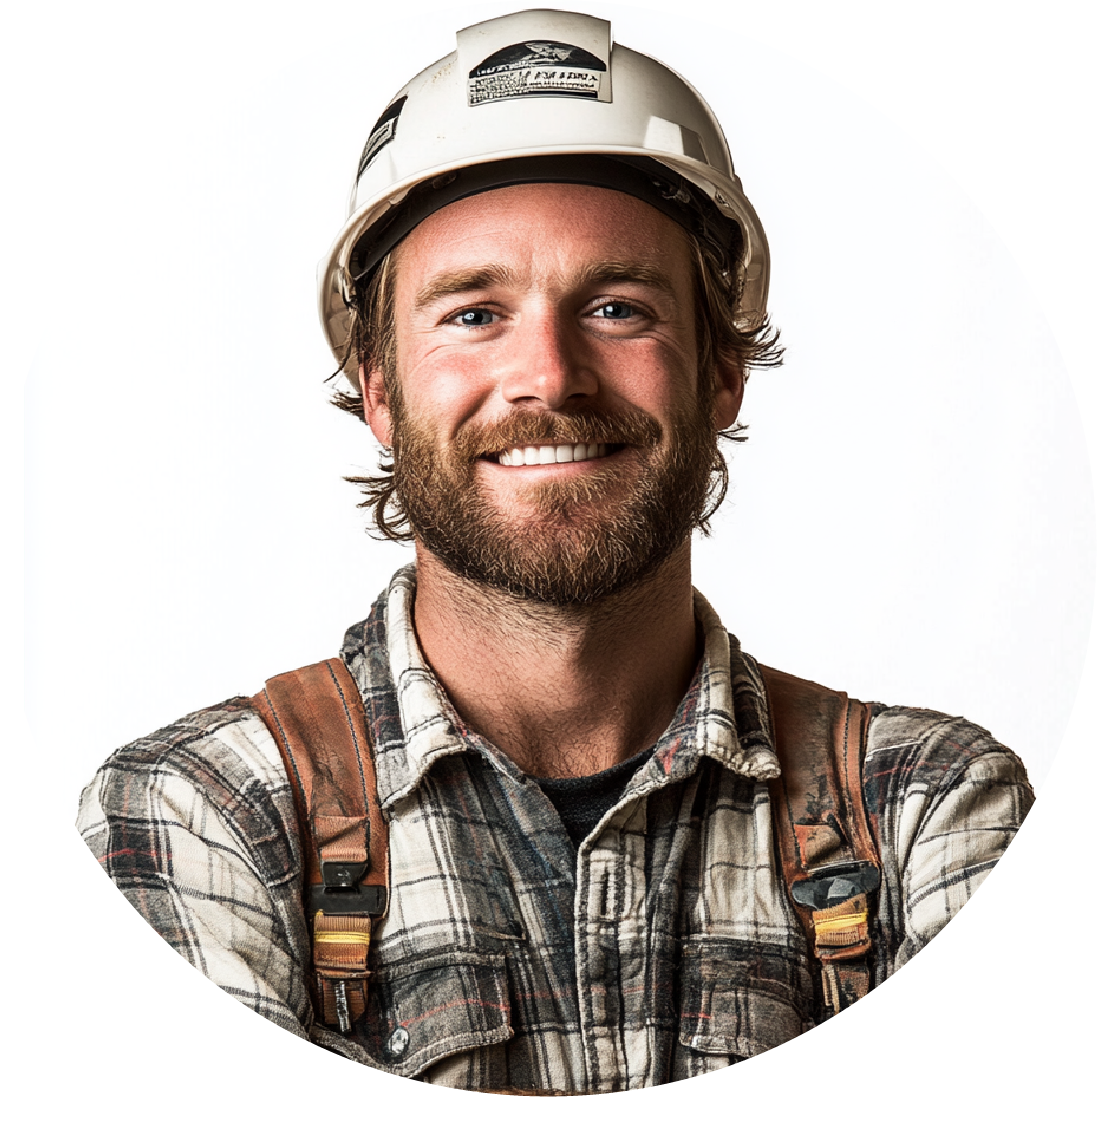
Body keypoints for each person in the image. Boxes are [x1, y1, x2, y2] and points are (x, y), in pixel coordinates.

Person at [75, 9, 1034, 1094]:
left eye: (618, 308)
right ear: (380, 394)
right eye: (475, 313)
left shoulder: (923, 811)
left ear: (722, 373)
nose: (550, 376)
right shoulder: (207, 813)